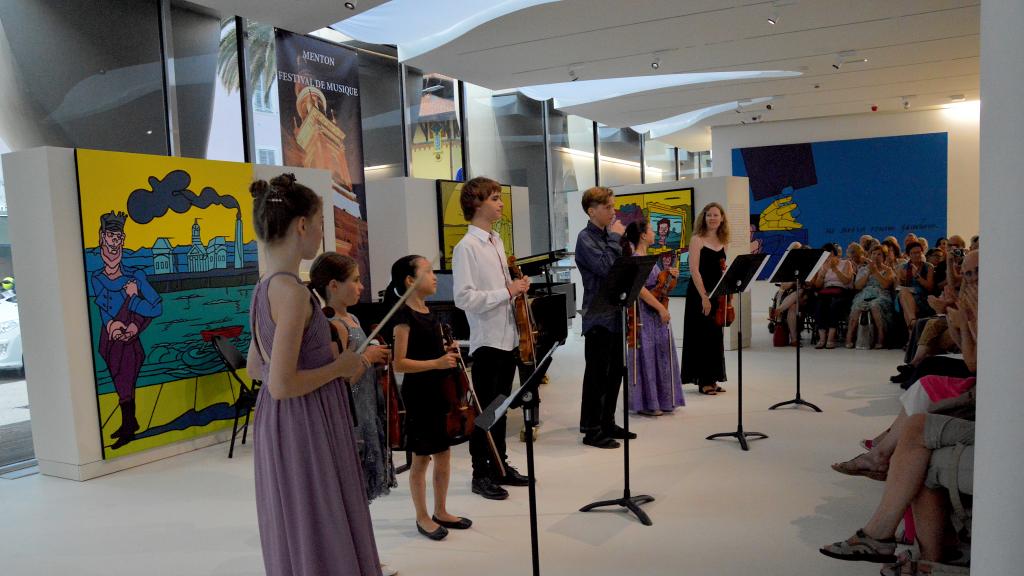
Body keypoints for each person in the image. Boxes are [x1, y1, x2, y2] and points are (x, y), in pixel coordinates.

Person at [246, 174, 383, 575]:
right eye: (321, 224)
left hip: (278, 421)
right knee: (320, 513)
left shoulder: (263, 287)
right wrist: (340, 366)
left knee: (298, 516)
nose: (322, 233)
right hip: (306, 421)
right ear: (302, 226)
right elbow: (282, 383)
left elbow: (257, 366)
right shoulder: (293, 293)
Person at [451, 176, 530, 501]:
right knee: (486, 411)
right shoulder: (466, 247)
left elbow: (500, 290)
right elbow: (464, 298)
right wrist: (506, 291)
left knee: (500, 408)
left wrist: (517, 288)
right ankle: (480, 472)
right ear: (477, 204)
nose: (500, 203)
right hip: (487, 341)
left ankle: (500, 465)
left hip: (507, 336)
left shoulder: (496, 241)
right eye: (495, 198)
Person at [386, 255, 472, 541]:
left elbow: (435, 350)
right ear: (411, 281)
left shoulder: (428, 311)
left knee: (444, 454)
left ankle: (441, 509)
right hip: (419, 394)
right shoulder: (403, 317)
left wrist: (448, 349)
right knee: (421, 459)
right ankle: (422, 516)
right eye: (429, 271)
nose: (435, 276)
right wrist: (436, 363)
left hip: (439, 391)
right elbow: (399, 363)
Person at [309, 252, 395, 502]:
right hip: (354, 414)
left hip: (368, 408)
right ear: (334, 286)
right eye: (355, 280)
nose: (361, 286)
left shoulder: (353, 318)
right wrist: (367, 358)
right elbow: (341, 381)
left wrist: (377, 358)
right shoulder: (335, 325)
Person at [91, 211, 163, 450]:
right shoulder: (97, 277)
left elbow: (156, 306)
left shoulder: (136, 276)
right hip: (109, 342)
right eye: (111, 236)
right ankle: (129, 423)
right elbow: (103, 308)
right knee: (120, 383)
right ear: (102, 238)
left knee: (125, 381)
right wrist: (112, 325)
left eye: (119, 237)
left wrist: (133, 314)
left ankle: (129, 426)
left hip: (130, 342)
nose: (115, 242)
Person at [575, 186, 632, 449]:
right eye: (608, 207)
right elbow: (606, 267)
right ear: (592, 210)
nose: (613, 211)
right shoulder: (585, 238)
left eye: (613, 206)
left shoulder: (611, 235)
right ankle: (591, 428)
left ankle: (607, 421)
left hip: (616, 312)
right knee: (597, 374)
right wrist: (615, 240)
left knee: (615, 371)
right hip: (598, 316)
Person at [621, 221, 684, 415]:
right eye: (650, 230)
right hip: (645, 313)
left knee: (658, 354)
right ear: (642, 235)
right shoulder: (636, 258)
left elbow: (657, 285)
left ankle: (660, 400)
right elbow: (639, 289)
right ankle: (648, 403)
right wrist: (660, 309)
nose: (654, 233)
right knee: (646, 355)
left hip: (654, 313)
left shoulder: (647, 257)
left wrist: (669, 275)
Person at [681, 202, 730, 395]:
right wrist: (704, 297)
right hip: (699, 293)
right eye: (709, 215)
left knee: (715, 335)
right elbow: (694, 270)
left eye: (716, 215)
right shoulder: (697, 239)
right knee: (701, 335)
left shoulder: (724, 241)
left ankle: (713, 377)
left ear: (722, 218)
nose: (712, 218)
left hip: (717, 293)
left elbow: (722, 269)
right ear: (704, 217)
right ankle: (703, 381)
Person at [846, 244, 896, 348]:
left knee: (875, 306)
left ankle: (880, 338)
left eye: (879, 254)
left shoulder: (888, 270)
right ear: (870, 255)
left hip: (881, 294)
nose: (876, 256)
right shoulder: (862, 269)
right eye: (873, 254)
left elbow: (885, 285)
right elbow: (858, 286)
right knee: (858, 306)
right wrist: (869, 272)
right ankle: (849, 337)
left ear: (884, 257)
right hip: (864, 293)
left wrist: (876, 272)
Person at [811, 243, 854, 349]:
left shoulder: (846, 263)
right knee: (820, 304)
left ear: (835, 254)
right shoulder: (823, 265)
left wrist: (835, 269)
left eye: (829, 254)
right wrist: (822, 273)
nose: (827, 257)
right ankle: (822, 338)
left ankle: (831, 337)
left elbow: (847, 281)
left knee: (835, 305)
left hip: (842, 290)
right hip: (826, 290)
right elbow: (817, 285)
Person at [897, 240, 936, 332]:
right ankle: (913, 322)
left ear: (922, 253)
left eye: (919, 252)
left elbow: (930, 287)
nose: (916, 255)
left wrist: (917, 277)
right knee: (903, 293)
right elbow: (898, 286)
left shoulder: (928, 267)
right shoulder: (903, 267)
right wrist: (901, 279)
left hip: (923, 297)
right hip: (906, 295)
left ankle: (911, 331)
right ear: (908, 255)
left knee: (905, 301)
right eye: (913, 253)